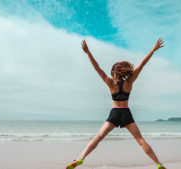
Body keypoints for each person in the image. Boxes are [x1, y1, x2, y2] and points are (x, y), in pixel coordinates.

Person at [66, 38, 166, 169]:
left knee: (98, 137)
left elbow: (97, 68)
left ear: (114, 73)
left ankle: (80, 159)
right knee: (140, 140)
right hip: (126, 113)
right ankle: (158, 163)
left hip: (114, 113)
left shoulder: (110, 83)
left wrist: (88, 52)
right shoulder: (129, 82)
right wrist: (153, 49)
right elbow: (142, 64)